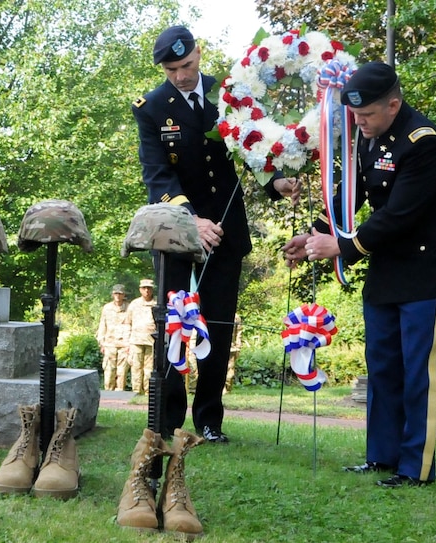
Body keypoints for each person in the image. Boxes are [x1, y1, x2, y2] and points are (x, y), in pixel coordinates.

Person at [282, 62, 436, 486]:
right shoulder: (370, 137)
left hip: (425, 271)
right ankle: (381, 456)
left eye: (366, 115)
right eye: (355, 115)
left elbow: (400, 215)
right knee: (382, 366)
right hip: (386, 270)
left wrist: (343, 247)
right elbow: (354, 196)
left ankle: (415, 468)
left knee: (421, 372)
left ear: (394, 105)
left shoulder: (425, 143)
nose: (358, 122)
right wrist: (315, 236)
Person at [131, 25, 301, 443]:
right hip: (176, 228)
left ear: (199, 54)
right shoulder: (151, 108)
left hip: (226, 228)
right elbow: (158, 174)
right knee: (172, 321)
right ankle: (167, 418)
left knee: (219, 322)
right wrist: (190, 220)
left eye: (186, 65)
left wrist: (275, 181)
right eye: (171, 70)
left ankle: (209, 420)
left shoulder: (228, 94)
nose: (181, 76)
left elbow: (252, 148)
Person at [123, 278, 157, 394]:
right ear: (140, 289)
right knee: (136, 368)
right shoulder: (134, 304)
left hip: (151, 341)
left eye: (149, 288)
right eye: (144, 288)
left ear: (152, 290)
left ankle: (148, 392)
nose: (146, 291)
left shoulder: (157, 304)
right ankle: (136, 391)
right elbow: (128, 323)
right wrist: (127, 342)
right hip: (136, 340)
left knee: (149, 369)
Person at [96, 284, 129, 391]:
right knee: (109, 371)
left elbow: (133, 325)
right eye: (116, 293)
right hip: (109, 344)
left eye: (120, 294)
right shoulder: (107, 308)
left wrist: (130, 344)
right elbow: (102, 326)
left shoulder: (129, 308)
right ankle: (108, 394)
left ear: (124, 295)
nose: (118, 296)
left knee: (122, 372)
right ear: (112, 294)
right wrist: (101, 342)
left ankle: (119, 396)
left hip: (124, 344)